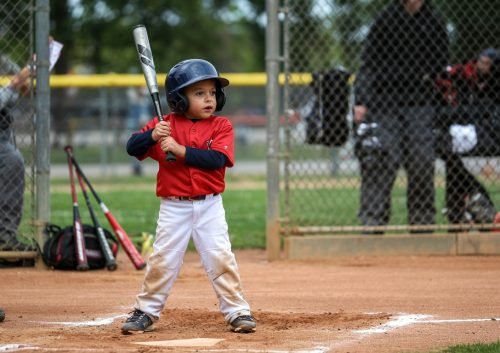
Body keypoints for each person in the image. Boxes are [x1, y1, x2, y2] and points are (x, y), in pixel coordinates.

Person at [122, 59, 256, 334]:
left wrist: (180, 150)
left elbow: (217, 159)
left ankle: (237, 311)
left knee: (220, 257)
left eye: (212, 93)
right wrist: (152, 137)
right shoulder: (164, 124)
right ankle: (146, 311)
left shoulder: (221, 126)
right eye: (199, 93)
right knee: (163, 259)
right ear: (178, 100)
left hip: (210, 205)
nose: (209, 98)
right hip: (174, 207)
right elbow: (131, 146)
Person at [353, 0, 449, 233]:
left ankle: (422, 223)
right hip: (385, 101)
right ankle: (373, 223)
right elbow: (368, 63)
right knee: (381, 159)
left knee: (422, 160)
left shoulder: (433, 22)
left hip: (420, 102)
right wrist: (361, 100)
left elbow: (442, 63)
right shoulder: (385, 20)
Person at [435, 48, 500, 225]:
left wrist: (466, 114)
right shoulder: (462, 75)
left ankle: (458, 213)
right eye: (481, 61)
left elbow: (485, 113)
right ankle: (475, 194)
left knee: (451, 159)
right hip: (458, 129)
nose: (482, 66)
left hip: (482, 132)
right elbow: (448, 109)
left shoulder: (494, 83)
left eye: (487, 64)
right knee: (447, 151)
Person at [0, 59, 35, 255]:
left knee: (12, 161)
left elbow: (14, 95)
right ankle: (5, 235)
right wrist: (16, 82)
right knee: (12, 161)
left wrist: (21, 80)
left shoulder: (4, 60)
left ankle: (5, 235)